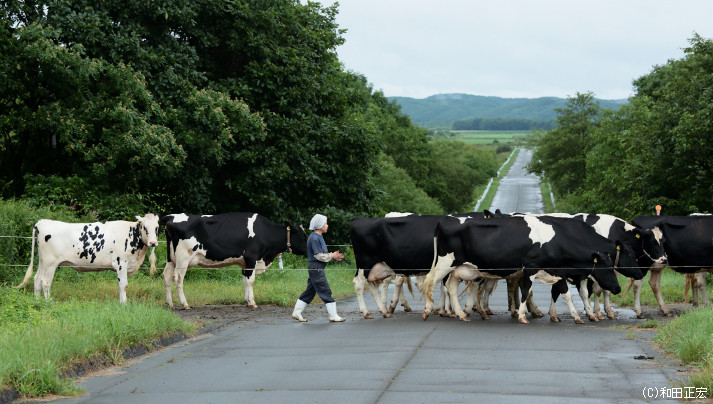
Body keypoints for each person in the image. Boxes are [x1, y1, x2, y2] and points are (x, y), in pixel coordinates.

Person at [291, 214, 346, 322]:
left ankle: (296, 313)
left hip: (316, 268)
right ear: (320, 225)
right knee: (325, 291)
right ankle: (333, 316)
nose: (327, 225)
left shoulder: (318, 237)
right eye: (325, 223)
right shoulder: (315, 238)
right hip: (316, 268)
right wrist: (331, 256)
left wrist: (332, 256)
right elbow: (318, 255)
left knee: (310, 292)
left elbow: (321, 254)